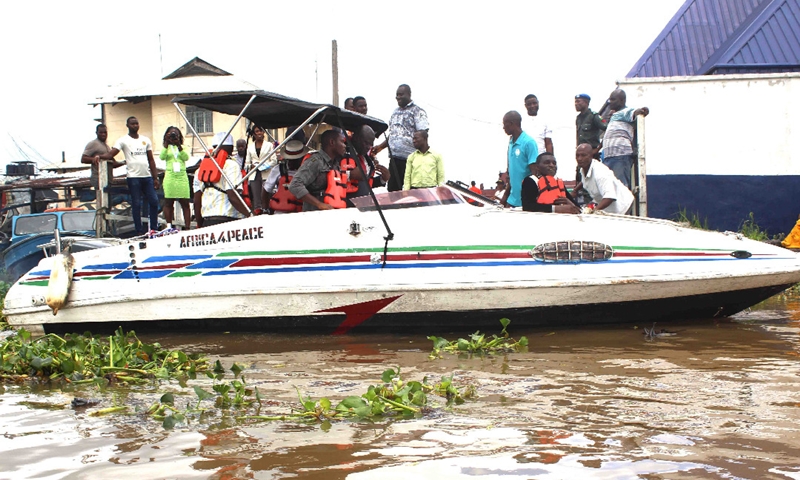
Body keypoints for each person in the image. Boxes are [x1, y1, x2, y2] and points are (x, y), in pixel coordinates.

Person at [100, 116, 160, 234]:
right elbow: (111, 154)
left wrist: (155, 177)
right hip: (133, 177)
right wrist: (98, 157)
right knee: (136, 204)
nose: (135, 126)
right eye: (132, 124)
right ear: (127, 125)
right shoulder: (123, 140)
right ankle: (139, 230)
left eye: (137, 123)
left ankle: (154, 228)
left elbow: (151, 160)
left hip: (147, 176)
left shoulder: (145, 140)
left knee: (154, 201)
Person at [372, 84, 429, 191]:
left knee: (412, 192)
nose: (398, 97)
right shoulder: (395, 112)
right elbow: (393, 135)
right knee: (394, 191)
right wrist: (380, 147)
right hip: (395, 158)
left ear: (409, 94)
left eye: (401, 94)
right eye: (397, 95)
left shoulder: (417, 111)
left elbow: (423, 134)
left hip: (410, 159)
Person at [193, 132, 251, 227]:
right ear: (232, 148)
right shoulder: (232, 165)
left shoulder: (199, 170)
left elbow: (197, 201)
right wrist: (250, 215)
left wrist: (200, 225)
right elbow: (233, 196)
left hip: (207, 220)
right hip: (227, 220)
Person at [288, 129, 348, 211]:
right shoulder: (316, 161)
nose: (344, 145)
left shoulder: (335, 163)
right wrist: (319, 204)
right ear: (332, 142)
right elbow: (294, 185)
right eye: (342, 142)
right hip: (314, 215)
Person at [602, 89, 649, 189]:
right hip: (609, 156)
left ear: (622, 100)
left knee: (620, 188)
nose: (610, 102)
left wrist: (641, 111)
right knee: (611, 188)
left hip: (620, 155)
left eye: (613, 99)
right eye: (610, 99)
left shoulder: (625, 111)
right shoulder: (615, 115)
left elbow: (635, 112)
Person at [575, 143, 633, 214]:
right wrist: (574, 191)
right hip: (608, 207)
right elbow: (585, 181)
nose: (580, 159)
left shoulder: (600, 172)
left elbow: (610, 197)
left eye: (583, 155)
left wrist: (593, 211)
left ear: (591, 156)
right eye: (577, 155)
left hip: (622, 206)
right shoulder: (583, 170)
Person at [501, 111, 538, 208]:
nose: (503, 128)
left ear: (512, 124)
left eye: (505, 124)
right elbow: (511, 174)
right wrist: (505, 196)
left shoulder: (529, 143)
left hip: (524, 202)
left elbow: (535, 173)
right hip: (512, 200)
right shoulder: (511, 143)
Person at [346, 125, 390, 204]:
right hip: (345, 205)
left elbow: (366, 183)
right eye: (366, 143)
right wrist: (349, 175)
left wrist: (382, 179)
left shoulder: (367, 160)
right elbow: (327, 175)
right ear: (356, 138)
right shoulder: (343, 153)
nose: (368, 147)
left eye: (371, 144)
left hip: (364, 206)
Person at [263, 140, 309, 214]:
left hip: (301, 213)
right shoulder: (278, 169)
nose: (291, 162)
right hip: (280, 213)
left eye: (294, 160)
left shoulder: (308, 170)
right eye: (289, 159)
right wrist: (265, 209)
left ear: (301, 158)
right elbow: (266, 189)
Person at [159, 126, 191, 229]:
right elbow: (162, 157)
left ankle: (187, 227)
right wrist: (166, 144)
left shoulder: (183, 147)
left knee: (185, 203)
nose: (173, 136)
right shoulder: (166, 147)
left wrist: (178, 145)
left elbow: (186, 157)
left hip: (182, 176)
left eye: (175, 134)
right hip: (170, 176)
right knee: (168, 202)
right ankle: (169, 226)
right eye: (171, 134)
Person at [81, 124, 122, 193]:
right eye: (101, 132)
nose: (103, 134)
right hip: (98, 179)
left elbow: (113, 164)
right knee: (101, 199)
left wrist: (125, 162)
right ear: (96, 133)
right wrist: (96, 159)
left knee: (109, 200)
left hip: (108, 179)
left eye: (105, 132)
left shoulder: (107, 146)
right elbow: (83, 159)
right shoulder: (93, 143)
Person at [247, 125, 276, 211]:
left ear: (264, 133)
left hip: (266, 174)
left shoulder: (269, 145)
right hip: (254, 175)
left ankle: (267, 211)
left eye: (261, 131)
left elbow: (274, 161)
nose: (259, 133)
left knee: (267, 196)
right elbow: (247, 163)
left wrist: (265, 166)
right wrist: (251, 166)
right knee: (256, 199)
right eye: (257, 131)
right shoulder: (250, 147)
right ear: (254, 134)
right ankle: (257, 212)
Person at [574, 94, 606, 158]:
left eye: (578, 101)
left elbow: (608, 130)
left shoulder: (594, 116)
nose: (576, 104)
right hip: (581, 154)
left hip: (592, 154)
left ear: (586, 102)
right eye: (575, 102)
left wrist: (597, 149)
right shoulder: (578, 118)